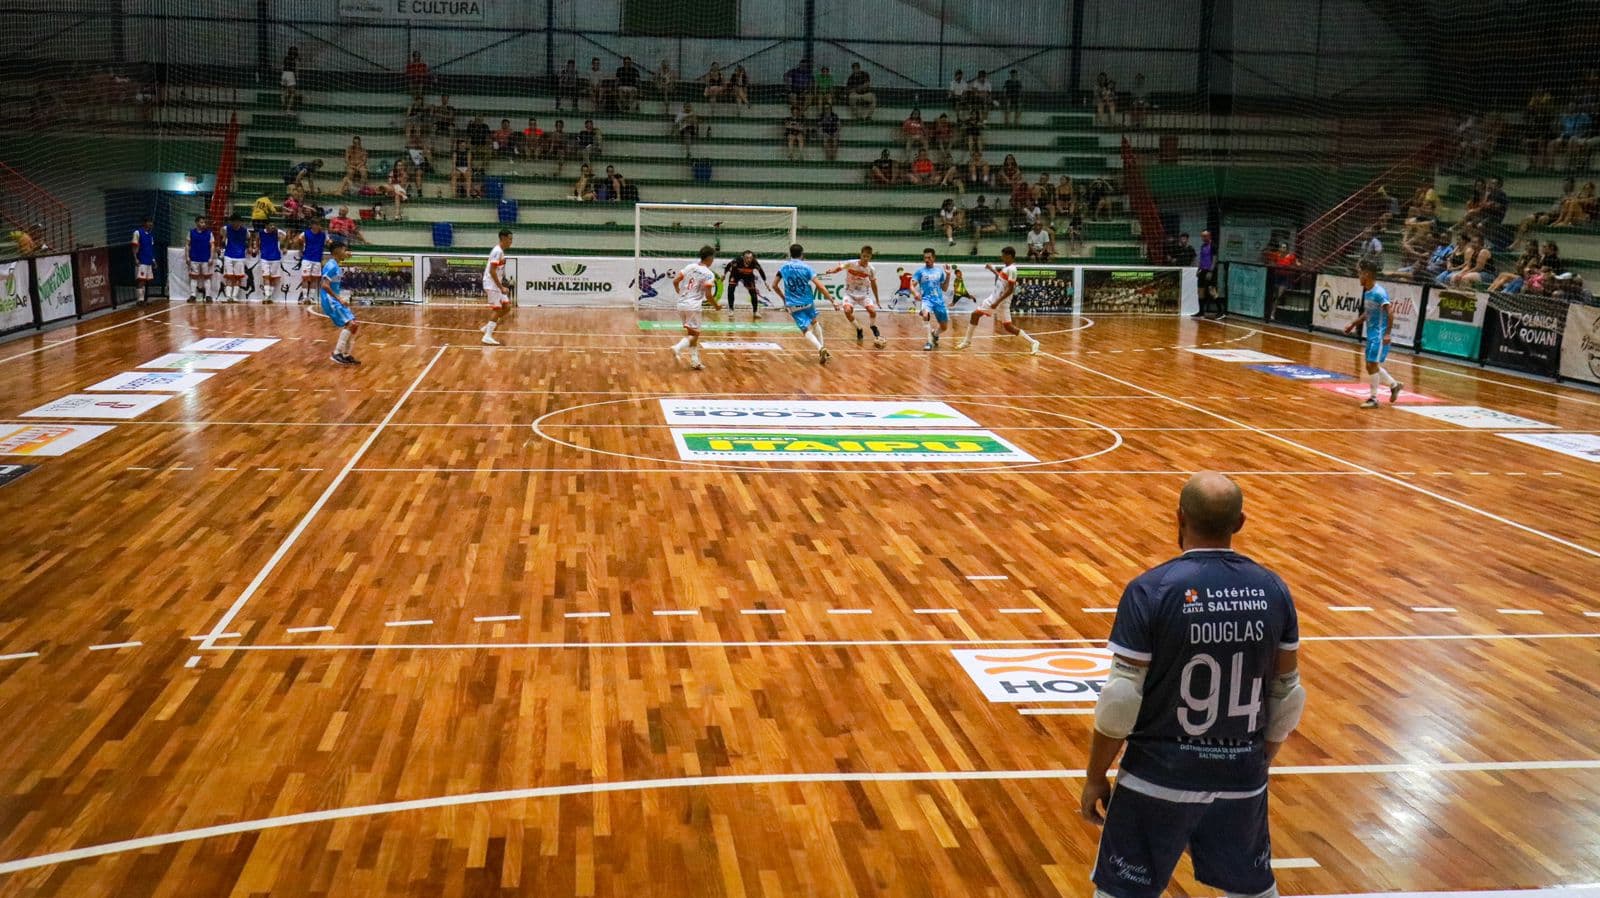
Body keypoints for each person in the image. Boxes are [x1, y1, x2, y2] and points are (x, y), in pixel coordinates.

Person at [1081, 472, 1303, 898]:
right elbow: (1288, 694)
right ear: (1240, 523)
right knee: (1252, 891)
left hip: (1157, 777)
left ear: (1178, 518)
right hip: (1242, 776)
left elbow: (1121, 699)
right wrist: (1260, 759)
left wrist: (1095, 775)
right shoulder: (1274, 589)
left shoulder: (1152, 589)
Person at [1343, 258, 1404, 408]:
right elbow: (1368, 314)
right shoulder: (1368, 292)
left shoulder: (1379, 293)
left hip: (1379, 335)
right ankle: (1394, 385)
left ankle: (1374, 398)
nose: (1359, 277)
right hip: (1371, 334)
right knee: (1370, 366)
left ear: (1367, 274)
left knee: (1372, 364)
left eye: (1360, 274)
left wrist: (1388, 333)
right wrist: (1353, 324)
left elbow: (1390, 312)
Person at [958, 246, 1039, 353]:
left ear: (1009, 256)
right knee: (1008, 327)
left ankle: (967, 341)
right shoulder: (1006, 268)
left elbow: (1010, 289)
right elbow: (1001, 279)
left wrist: (997, 302)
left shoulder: (1012, 270)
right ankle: (1033, 342)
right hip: (997, 300)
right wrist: (992, 270)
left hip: (999, 301)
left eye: (1003, 256)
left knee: (975, 314)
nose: (1002, 258)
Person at [772, 243, 836, 364]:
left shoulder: (784, 268)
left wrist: (783, 298)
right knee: (814, 322)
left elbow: (774, 285)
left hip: (793, 303)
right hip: (807, 301)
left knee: (805, 329)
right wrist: (832, 301)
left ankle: (820, 348)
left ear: (791, 254)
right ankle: (822, 347)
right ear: (802, 254)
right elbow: (820, 286)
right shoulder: (807, 268)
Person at [824, 246, 886, 347]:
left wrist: (877, 300)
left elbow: (874, 285)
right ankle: (859, 329)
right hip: (850, 293)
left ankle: (873, 326)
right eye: (864, 256)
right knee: (847, 311)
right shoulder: (851, 263)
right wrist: (832, 271)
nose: (865, 258)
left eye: (868, 256)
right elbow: (840, 268)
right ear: (860, 255)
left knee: (872, 311)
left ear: (870, 257)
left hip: (864, 294)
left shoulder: (871, 269)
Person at [670, 245, 717, 370]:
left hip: (681, 304)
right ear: (710, 258)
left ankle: (695, 361)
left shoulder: (690, 267)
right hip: (693, 305)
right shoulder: (709, 274)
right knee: (695, 335)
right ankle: (678, 347)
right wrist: (716, 306)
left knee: (692, 333)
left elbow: (675, 281)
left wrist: (679, 292)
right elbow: (708, 295)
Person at [321, 240, 362, 366]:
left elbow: (344, 255)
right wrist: (339, 298)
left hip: (335, 299)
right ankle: (337, 353)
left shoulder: (336, 264)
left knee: (354, 325)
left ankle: (346, 355)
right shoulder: (331, 266)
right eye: (344, 250)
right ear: (337, 251)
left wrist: (346, 254)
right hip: (330, 300)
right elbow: (325, 285)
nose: (347, 252)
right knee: (351, 324)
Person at [911, 247, 952, 350]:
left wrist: (948, 275)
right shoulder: (920, 272)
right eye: (925, 258)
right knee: (925, 315)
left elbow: (945, 288)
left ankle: (935, 334)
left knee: (944, 327)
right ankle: (929, 342)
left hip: (938, 300)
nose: (927, 260)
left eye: (929, 258)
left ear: (934, 258)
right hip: (926, 300)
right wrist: (915, 293)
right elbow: (912, 285)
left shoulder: (939, 271)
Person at [479, 229, 514, 345]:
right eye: (509, 239)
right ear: (503, 238)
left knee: (507, 306)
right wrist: (501, 287)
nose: (511, 241)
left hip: (496, 284)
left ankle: (488, 326)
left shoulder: (501, 252)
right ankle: (487, 336)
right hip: (491, 284)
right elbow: (492, 271)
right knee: (497, 308)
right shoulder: (497, 252)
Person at [292, 218, 329, 306]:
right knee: (305, 278)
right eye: (315, 224)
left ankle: (311, 297)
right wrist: (300, 248)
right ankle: (304, 297)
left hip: (317, 259)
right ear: (312, 225)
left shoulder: (323, 235)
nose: (317, 226)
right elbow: (296, 241)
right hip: (307, 258)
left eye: (319, 224)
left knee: (314, 279)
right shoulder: (305, 233)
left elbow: (329, 243)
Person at [722, 250, 766, 317]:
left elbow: (761, 271)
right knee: (730, 289)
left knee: (753, 292)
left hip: (748, 276)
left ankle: (755, 312)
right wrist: (724, 274)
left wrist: (765, 281)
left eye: (750, 258)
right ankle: (731, 310)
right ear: (743, 257)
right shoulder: (737, 261)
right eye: (747, 258)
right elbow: (728, 266)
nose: (749, 260)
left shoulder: (754, 262)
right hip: (736, 274)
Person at [219, 213, 250, 303]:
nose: (236, 223)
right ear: (231, 222)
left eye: (238, 221)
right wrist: (224, 237)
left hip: (240, 256)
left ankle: (234, 296)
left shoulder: (245, 231)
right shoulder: (226, 228)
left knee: (238, 277)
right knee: (229, 277)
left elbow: (249, 238)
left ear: (241, 222)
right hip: (228, 255)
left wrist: (249, 247)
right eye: (234, 221)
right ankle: (228, 297)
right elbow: (221, 234)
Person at [130, 216, 157, 305]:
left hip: (148, 260)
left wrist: (153, 260)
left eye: (152, 222)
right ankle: (140, 300)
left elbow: (150, 249)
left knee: (145, 280)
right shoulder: (137, 233)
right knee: (140, 280)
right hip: (141, 260)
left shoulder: (150, 235)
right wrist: (136, 258)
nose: (151, 224)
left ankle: (143, 299)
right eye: (149, 222)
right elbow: (134, 246)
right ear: (144, 223)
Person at [186, 215, 213, 303]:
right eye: (201, 222)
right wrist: (187, 256)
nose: (203, 224)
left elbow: (212, 245)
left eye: (204, 222)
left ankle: (208, 296)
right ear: (197, 223)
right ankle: (193, 295)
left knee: (207, 277)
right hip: (194, 258)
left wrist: (211, 257)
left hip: (205, 259)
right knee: (194, 277)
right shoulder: (191, 232)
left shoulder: (209, 233)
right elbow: (187, 245)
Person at [257, 219, 285, 303]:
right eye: (270, 225)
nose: (272, 227)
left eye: (273, 225)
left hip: (275, 257)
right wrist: (256, 247)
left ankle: (270, 296)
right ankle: (267, 295)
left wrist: (283, 246)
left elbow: (285, 237)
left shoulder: (277, 232)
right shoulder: (261, 232)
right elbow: (257, 240)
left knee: (273, 278)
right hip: (264, 257)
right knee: (266, 276)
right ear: (266, 226)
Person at [1195, 229, 1220, 318]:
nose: (1203, 238)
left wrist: (1211, 271)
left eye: (1205, 236)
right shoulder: (1202, 246)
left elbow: (1214, 259)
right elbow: (1201, 259)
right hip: (1203, 270)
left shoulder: (1213, 246)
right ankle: (1201, 311)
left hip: (1210, 271)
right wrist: (1198, 269)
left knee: (1212, 290)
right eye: (1202, 236)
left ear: (1209, 236)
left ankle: (1220, 311)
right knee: (1200, 291)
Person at [280, 46, 299, 111]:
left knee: (283, 92)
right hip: (291, 74)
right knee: (292, 93)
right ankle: (288, 109)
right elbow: (296, 69)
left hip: (284, 74)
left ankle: (283, 105)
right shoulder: (295, 59)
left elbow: (282, 67)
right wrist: (297, 77)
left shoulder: (285, 58)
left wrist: (282, 75)